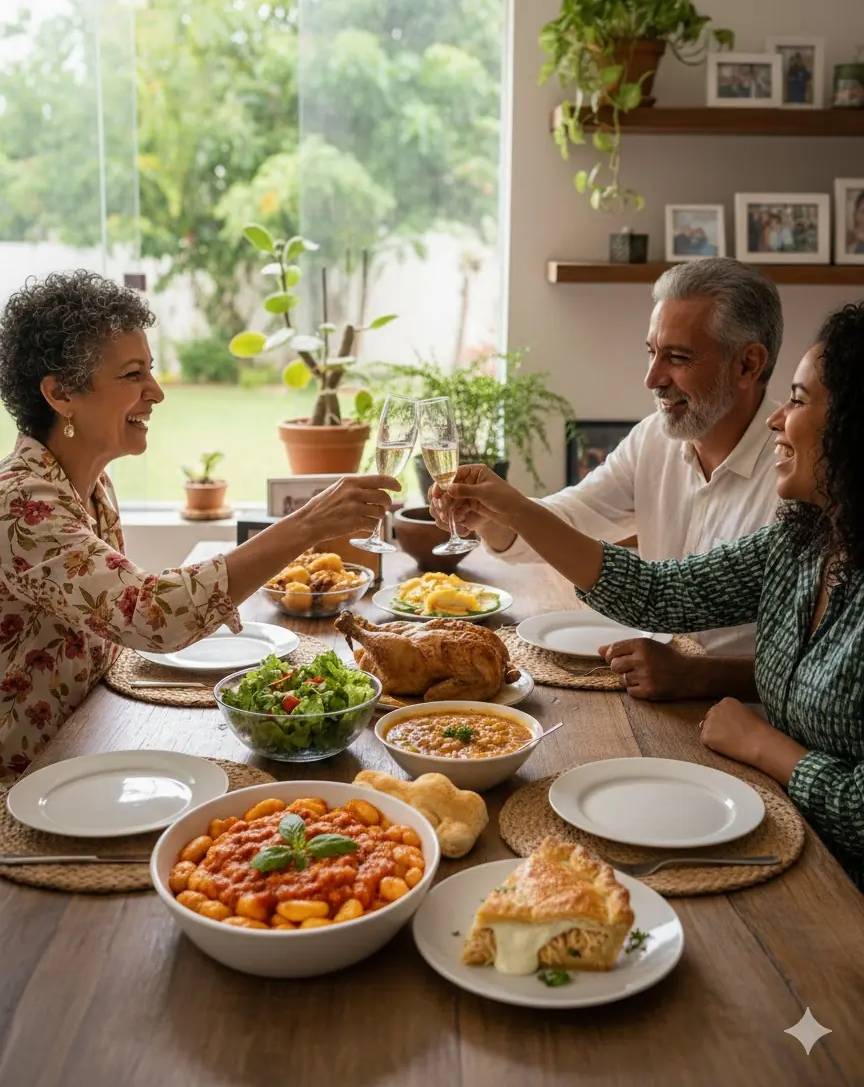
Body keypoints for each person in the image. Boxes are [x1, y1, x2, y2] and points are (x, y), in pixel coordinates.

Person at [443, 302, 864, 888]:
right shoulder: (803, 541)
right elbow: (658, 594)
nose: (777, 420)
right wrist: (511, 506)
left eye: (797, 400)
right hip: (781, 830)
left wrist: (771, 750)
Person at [0, 271, 400, 781]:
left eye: (151, 371)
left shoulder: (89, 484)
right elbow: (149, 615)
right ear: (60, 395)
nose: (157, 392)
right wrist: (306, 524)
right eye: (132, 375)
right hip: (27, 785)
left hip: (89, 748)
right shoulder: (20, 503)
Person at [431, 258, 783, 700]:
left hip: (751, 719)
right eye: (652, 352)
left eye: (678, 357)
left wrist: (699, 675)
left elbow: (815, 666)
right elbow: (570, 520)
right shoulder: (652, 440)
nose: (652, 378)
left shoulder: (798, 475)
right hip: (650, 693)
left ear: (748, 365)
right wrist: (490, 514)